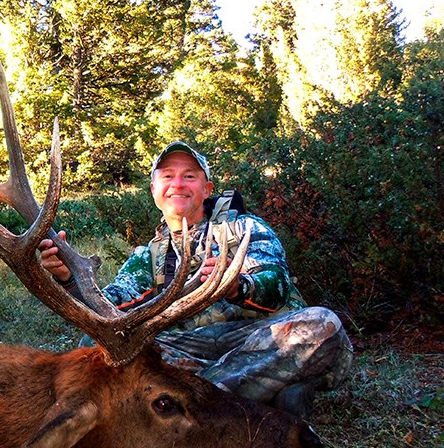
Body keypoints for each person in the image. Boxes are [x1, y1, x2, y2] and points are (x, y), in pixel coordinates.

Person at [38, 141, 354, 417]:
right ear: (154, 191)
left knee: (323, 325)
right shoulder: (148, 257)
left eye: (189, 176)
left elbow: (276, 286)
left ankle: (187, 402)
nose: (178, 183)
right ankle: (262, 395)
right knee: (95, 345)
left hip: (255, 337)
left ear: (207, 189)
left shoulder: (245, 230)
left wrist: (237, 285)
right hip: (190, 350)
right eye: (167, 176)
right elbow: (109, 308)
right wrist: (69, 279)